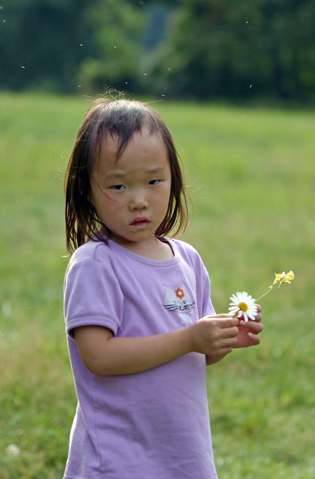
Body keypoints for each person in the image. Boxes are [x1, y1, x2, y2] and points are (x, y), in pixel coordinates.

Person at [63, 97, 263, 479]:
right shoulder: (96, 265)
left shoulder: (186, 260)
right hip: (121, 460)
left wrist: (218, 342)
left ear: (173, 179)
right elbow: (99, 357)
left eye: (154, 181)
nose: (139, 200)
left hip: (182, 455)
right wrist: (190, 339)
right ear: (87, 190)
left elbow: (193, 353)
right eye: (118, 186)